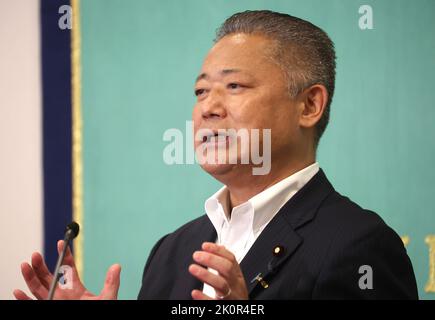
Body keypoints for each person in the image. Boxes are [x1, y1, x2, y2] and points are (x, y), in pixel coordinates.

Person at [14, 10, 418, 300]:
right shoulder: (172, 251)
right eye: (201, 91)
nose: (208, 107)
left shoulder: (358, 246)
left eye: (235, 86)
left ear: (309, 105)